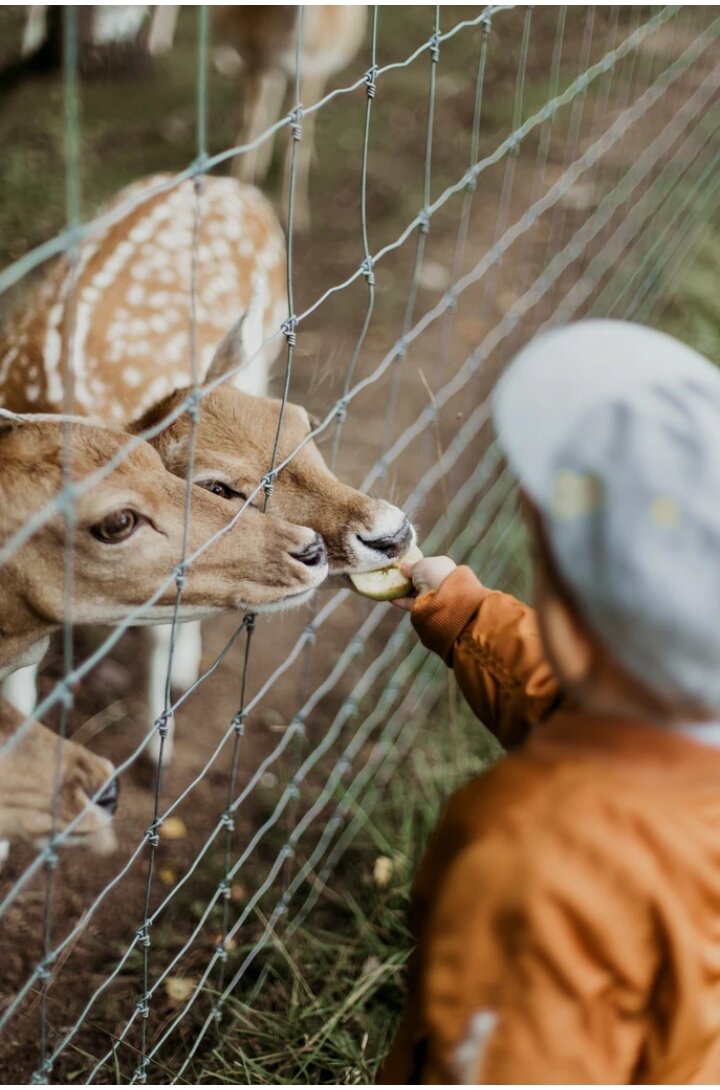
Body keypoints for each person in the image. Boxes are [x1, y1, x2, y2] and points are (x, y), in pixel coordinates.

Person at [379, 319, 720, 1084]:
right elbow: (585, 713)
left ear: (568, 614)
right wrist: (467, 618)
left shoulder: (539, 866)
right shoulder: (686, 744)